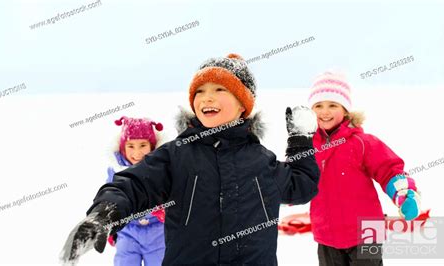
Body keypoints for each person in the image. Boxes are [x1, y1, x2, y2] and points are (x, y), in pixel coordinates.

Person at [60, 53, 320, 265]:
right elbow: (133, 184)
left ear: (243, 105)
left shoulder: (262, 161)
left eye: (220, 89)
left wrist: (300, 141)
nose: (207, 97)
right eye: (200, 91)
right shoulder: (177, 155)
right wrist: (105, 213)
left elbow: (301, 185)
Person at [308, 71, 421, 266]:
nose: (324, 112)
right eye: (318, 106)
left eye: (332, 105)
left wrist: (403, 193)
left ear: (345, 110)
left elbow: (390, 169)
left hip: (367, 232)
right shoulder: (308, 146)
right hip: (326, 234)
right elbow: (296, 178)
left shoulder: (362, 142)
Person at [106, 117, 165, 265]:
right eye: (130, 146)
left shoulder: (161, 169)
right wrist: (110, 225)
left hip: (157, 231)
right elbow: (110, 198)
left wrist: (165, 209)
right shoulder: (116, 171)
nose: (137, 152)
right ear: (122, 147)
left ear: (152, 146)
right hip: (127, 231)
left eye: (143, 145)